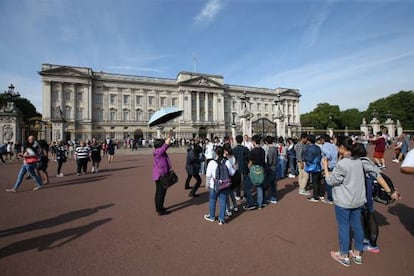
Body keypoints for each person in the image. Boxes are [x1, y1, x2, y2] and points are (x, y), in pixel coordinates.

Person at [323, 136, 366, 267]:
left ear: (342, 148)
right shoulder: (358, 160)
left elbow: (331, 181)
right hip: (357, 199)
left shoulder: (342, 164)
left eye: (337, 146)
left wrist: (325, 167)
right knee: (357, 226)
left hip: (344, 200)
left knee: (344, 226)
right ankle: (357, 253)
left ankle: (344, 255)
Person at [354, 143, 401, 254]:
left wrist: (390, 192)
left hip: (364, 194)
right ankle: (368, 241)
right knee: (367, 216)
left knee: (367, 217)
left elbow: (378, 176)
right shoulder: (366, 160)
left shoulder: (363, 163)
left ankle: (370, 244)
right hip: (365, 192)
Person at [204, 146, 236, 225]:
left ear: (215, 153)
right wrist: (234, 168)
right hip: (224, 184)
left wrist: (207, 184)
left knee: (212, 201)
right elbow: (232, 173)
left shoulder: (211, 162)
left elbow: (208, 175)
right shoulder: (227, 161)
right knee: (223, 201)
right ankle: (221, 219)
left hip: (214, 184)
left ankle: (212, 216)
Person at [153, 130, 174, 216]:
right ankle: (160, 210)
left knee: (159, 192)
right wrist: (170, 136)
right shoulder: (159, 152)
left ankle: (159, 207)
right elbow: (165, 145)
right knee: (161, 192)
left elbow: (165, 146)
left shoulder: (158, 151)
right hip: (161, 175)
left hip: (160, 174)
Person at [243, 134, 266, 210]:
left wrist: (248, 167)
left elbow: (250, 163)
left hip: (253, 170)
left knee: (246, 186)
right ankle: (260, 204)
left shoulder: (252, 151)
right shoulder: (262, 150)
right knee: (259, 186)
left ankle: (251, 202)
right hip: (261, 169)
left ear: (254, 141)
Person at [304, 135, 323, 202]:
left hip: (313, 166)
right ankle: (320, 195)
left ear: (309, 141)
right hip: (318, 165)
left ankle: (315, 197)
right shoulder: (317, 147)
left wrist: (305, 160)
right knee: (318, 181)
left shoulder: (309, 148)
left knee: (314, 182)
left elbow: (309, 158)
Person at [320, 134, 338, 204]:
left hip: (328, 166)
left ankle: (330, 198)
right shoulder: (333, 146)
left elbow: (328, 154)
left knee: (328, 182)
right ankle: (333, 197)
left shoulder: (324, 146)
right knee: (334, 182)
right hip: (334, 164)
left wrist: (325, 160)